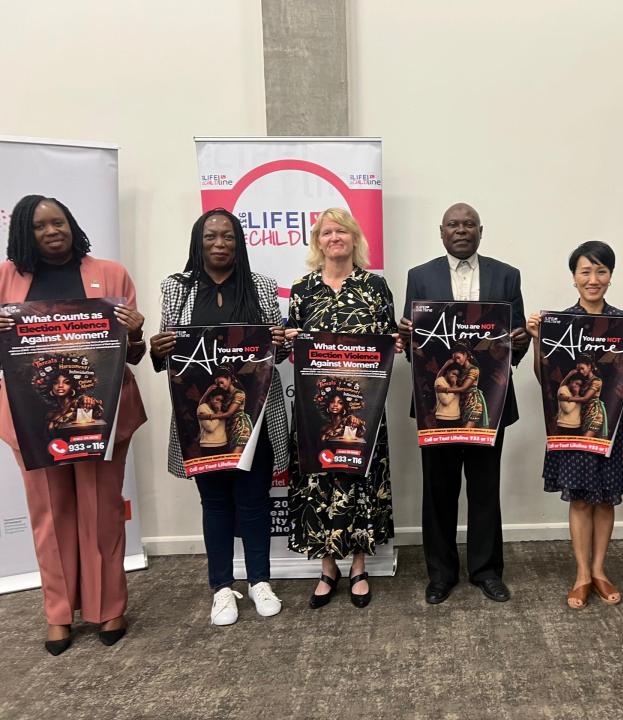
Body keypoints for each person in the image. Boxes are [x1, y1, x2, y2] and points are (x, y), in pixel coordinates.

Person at [0, 194, 147, 655]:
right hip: (31, 417)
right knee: (49, 514)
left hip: (99, 413)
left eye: (58, 222)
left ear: (72, 224)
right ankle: (59, 614)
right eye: (40, 226)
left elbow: (133, 354)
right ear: (25, 231)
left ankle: (109, 607)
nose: (52, 231)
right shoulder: (6, 279)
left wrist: (137, 331)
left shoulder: (110, 273)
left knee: (102, 509)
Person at [149, 208, 288, 626]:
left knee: (254, 501)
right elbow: (166, 354)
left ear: (239, 241)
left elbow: (272, 354)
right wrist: (157, 350)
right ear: (198, 241)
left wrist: (279, 342)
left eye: (227, 236)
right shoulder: (177, 288)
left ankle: (259, 581)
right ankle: (222, 587)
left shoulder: (261, 286)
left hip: (254, 414)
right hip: (201, 420)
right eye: (210, 237)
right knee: (214, 502)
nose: (219, 244)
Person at [399, 202, 529, 604]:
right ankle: (440, 574)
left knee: (485, 489)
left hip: (488, 404)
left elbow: (516, 342)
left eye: (468, 224)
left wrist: (520, 344)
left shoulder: (507, 276)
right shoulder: (419, 277)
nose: (461, 230)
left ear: (480, 231)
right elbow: (412, 351)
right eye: (453, 224)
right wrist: (405, 338)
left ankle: (487, 571)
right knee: (438, 491)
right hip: (436, 407)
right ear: (441, 232)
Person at [284, 208, 402, 609]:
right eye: (327, 231)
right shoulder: (302, 290)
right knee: (320, 482)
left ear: (354, 238)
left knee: (360, 482)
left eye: (342, 231)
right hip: (315, 410)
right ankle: (327, 565)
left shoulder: (375, 287)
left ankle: (359, 565)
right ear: (317, 241)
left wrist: (394, 344)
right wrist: (290, 340)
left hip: (363, 409)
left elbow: (388, 341)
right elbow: (290, 351)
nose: (334, 237)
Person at [527, 241, 623, 609]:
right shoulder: (559, 324)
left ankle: (599, 570)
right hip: (571, 424)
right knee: (580, 498)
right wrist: (537, 341)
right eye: (585, 271)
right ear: (574, 278)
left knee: (606, 498)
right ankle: (581, 574)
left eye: (601, 271)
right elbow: (543, 378)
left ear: (610, 276)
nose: (592, 279)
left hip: (614, 420)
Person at [197, 390, 229, 456]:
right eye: (217, 399)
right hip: (208, 446)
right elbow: (210, 428)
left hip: (223, 444)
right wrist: (218, 413)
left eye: (221, 401)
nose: (218, 402)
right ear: (211, 398)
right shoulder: (203, 408)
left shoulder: (223, 409)